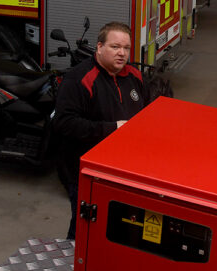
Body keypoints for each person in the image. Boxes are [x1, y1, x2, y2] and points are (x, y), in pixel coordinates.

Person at [53, 21, 149, 240]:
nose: (122, 53)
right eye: (115, 47)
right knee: (85, 229)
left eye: (126, 48)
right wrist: (113, 128)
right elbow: (63, 123)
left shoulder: (135, 75)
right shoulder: (79, 79)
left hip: (124, 169)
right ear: (99, 47)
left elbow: (148, 111)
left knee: (119, 229)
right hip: (86, 172)